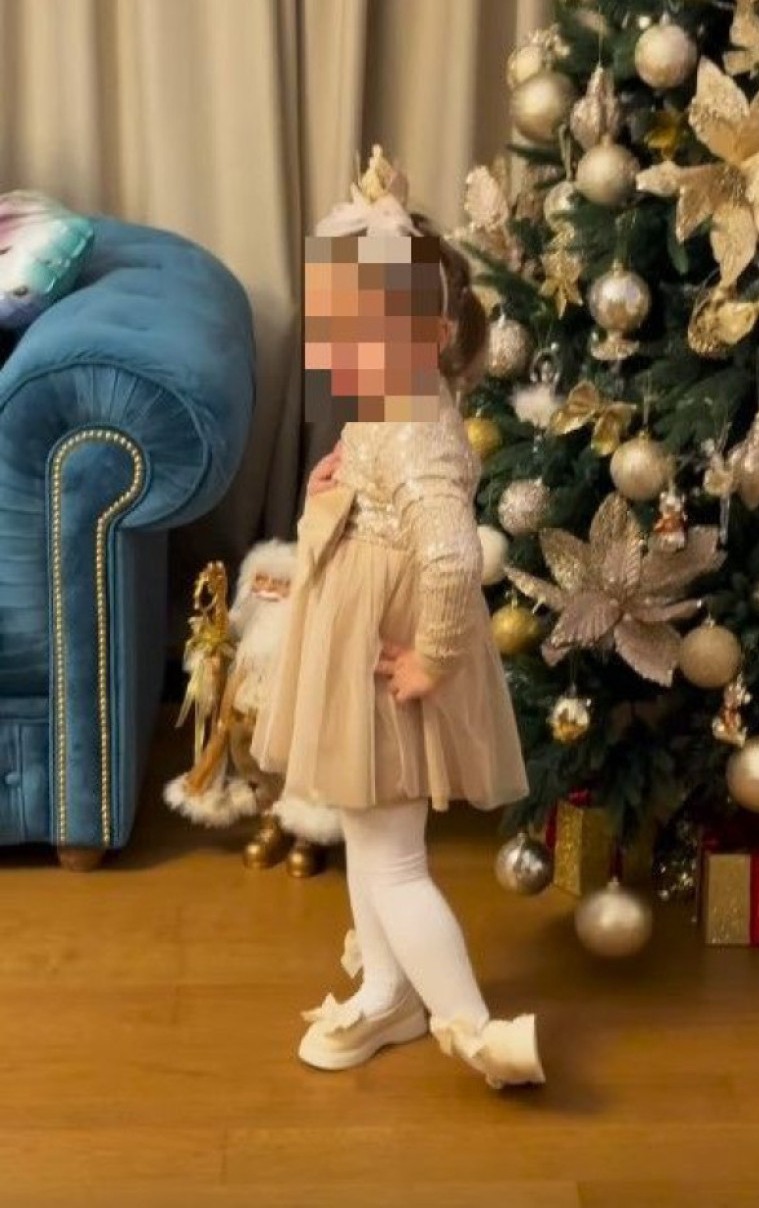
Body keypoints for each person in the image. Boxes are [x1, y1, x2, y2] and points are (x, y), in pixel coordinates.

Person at [251, 147, 545, 1091]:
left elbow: (452, 554)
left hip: (391, 656)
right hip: (360, 648)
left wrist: (434, 658)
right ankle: (389, 992)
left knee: (393, 858)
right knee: (370, 839)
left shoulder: (416, 424)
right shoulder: (391, 408)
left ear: (424, 334)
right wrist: (328, 485)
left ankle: (475, 1029)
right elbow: (368, 491)